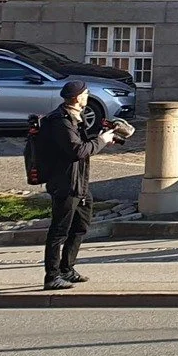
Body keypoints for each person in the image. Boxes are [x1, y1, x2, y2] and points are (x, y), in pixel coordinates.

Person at [36, 78, 117, 289]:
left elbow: (82, 144)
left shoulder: (74, 118)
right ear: (77, 97)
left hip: (79, 182)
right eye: (86, 94)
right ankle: (52, 276)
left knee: (81, 226)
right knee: (59, 231)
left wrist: (101, 137)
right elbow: (77, 151)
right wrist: (102, 141)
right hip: (65, 183)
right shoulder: (60, 121)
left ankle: (67, 269)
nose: (87, 97)